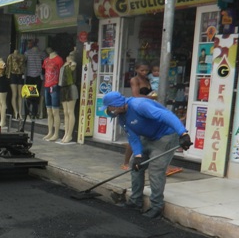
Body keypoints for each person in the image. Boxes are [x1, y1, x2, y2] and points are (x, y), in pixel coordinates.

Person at [101, 91, 192, 219]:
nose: (109, 111)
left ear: (116, 105)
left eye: (109, 107)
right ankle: (135, 201)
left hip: (166, 135)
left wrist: (183, 133)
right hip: (148, 137)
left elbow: (165, 115)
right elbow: (133, 137)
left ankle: (157, 206)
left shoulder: (139, 105)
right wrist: (138, 156)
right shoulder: (122, 117)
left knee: (156, 169)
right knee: (135, 165)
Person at [122, 62, 154, 168]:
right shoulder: (134, 80)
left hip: (147, 108)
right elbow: (136, 95)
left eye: (146, 70)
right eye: (142, 70)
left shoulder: (147, 80)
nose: (144, 72)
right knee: (134, 136)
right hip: (137, 109)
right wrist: (151, 98)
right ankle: (126, 162)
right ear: (136, 70)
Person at [42, 47, 64, 141]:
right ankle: (50, 131)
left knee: (55, 111)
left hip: (55, 86)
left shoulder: (59, 60)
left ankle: (56, 133)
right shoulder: (46, 60)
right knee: (48, 111)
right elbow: (45, 71)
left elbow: (61, 73)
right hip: (47, 85)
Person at [22, 40, 44, 124]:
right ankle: (34, 114)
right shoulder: (41, 53)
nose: (28, 44)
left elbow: (24, 63)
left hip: (30, 77)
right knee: (36, 96)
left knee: (29, 96)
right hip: (38, 77)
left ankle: (27, 114)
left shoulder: (27, 53)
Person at [59, 50, 79, 143]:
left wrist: (71, 62)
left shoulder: (73, 64)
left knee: (70, 112)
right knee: (66, 112)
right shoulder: (65, 64)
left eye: (70, 56)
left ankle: (70, 134)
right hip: (63, 88)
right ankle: (66, 133)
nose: (68, 57)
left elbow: (73, 67)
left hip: (71, 88)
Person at [6, 49, 24, 120]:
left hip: (20, 75)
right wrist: (8, 76)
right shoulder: (10, 56)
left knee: (20, 94)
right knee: (14, 94)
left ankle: (19, 112)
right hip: (13, 75)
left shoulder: (22, 56)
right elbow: (8, 67)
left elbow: (23, 66)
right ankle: (15, 111)